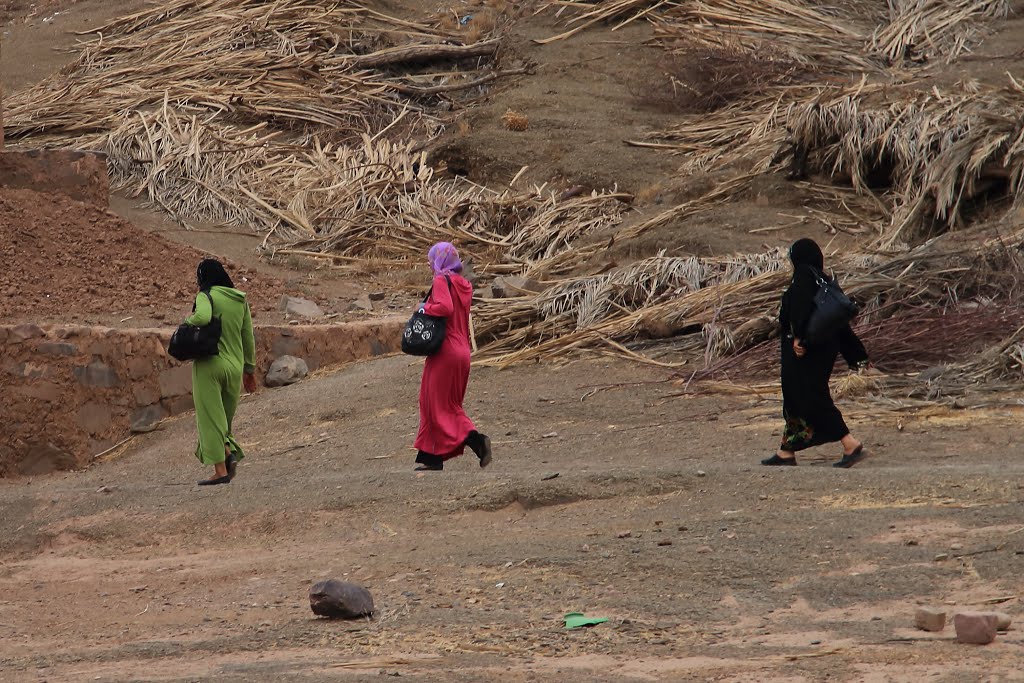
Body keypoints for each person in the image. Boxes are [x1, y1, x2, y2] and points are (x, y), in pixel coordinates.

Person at [762, 238, 870, 468]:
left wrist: (799, 337)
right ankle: (786, 451)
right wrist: (857, 354)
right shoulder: (823, 280)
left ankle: (850, 443)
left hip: (805, 351)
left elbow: (799, 310)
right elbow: (838, 323)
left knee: (811, 397)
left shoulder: (803, 277)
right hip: (822, 349)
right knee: (797, 398)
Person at [413, 242, 492, 471]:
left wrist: (422, 309)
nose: (430, 265)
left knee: (434, 404)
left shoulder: (441, 281)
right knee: (446, 403)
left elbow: (445, 308)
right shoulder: (463, 284)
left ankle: (476, 441)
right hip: (462, 352)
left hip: (445, 351)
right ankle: (430, 457)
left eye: (431, 260)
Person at [186, 259, 258, 485]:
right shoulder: (240, 300)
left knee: (210, 419)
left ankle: (221, 471)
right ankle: (229, 454)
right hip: (235, 368)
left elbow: (202, 317)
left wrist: (186, 321)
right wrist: (250, 369)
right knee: (223, 421)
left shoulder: (205, 295)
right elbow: (248, 337)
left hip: (210, 365)